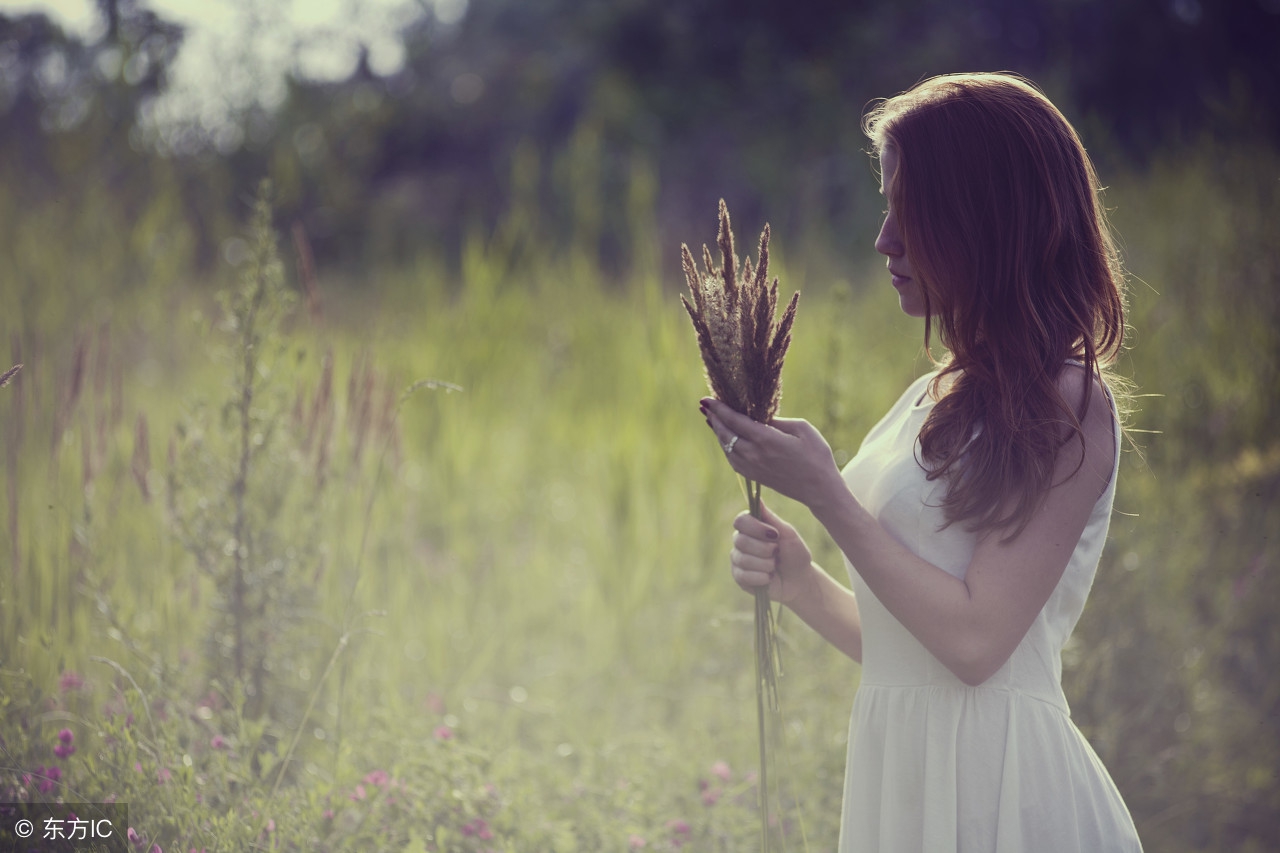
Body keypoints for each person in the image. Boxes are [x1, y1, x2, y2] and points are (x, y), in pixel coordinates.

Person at [700, 72, 1144, 852]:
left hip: (1001, 793)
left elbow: (975, 645)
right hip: (902, 781)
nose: (884, 241)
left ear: (986, 222)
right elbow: (911, 647)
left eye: (912, 213)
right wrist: (801, 581)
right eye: (886, 209)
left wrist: (828, 496)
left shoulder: (1070, 402)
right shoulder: (926, 399)